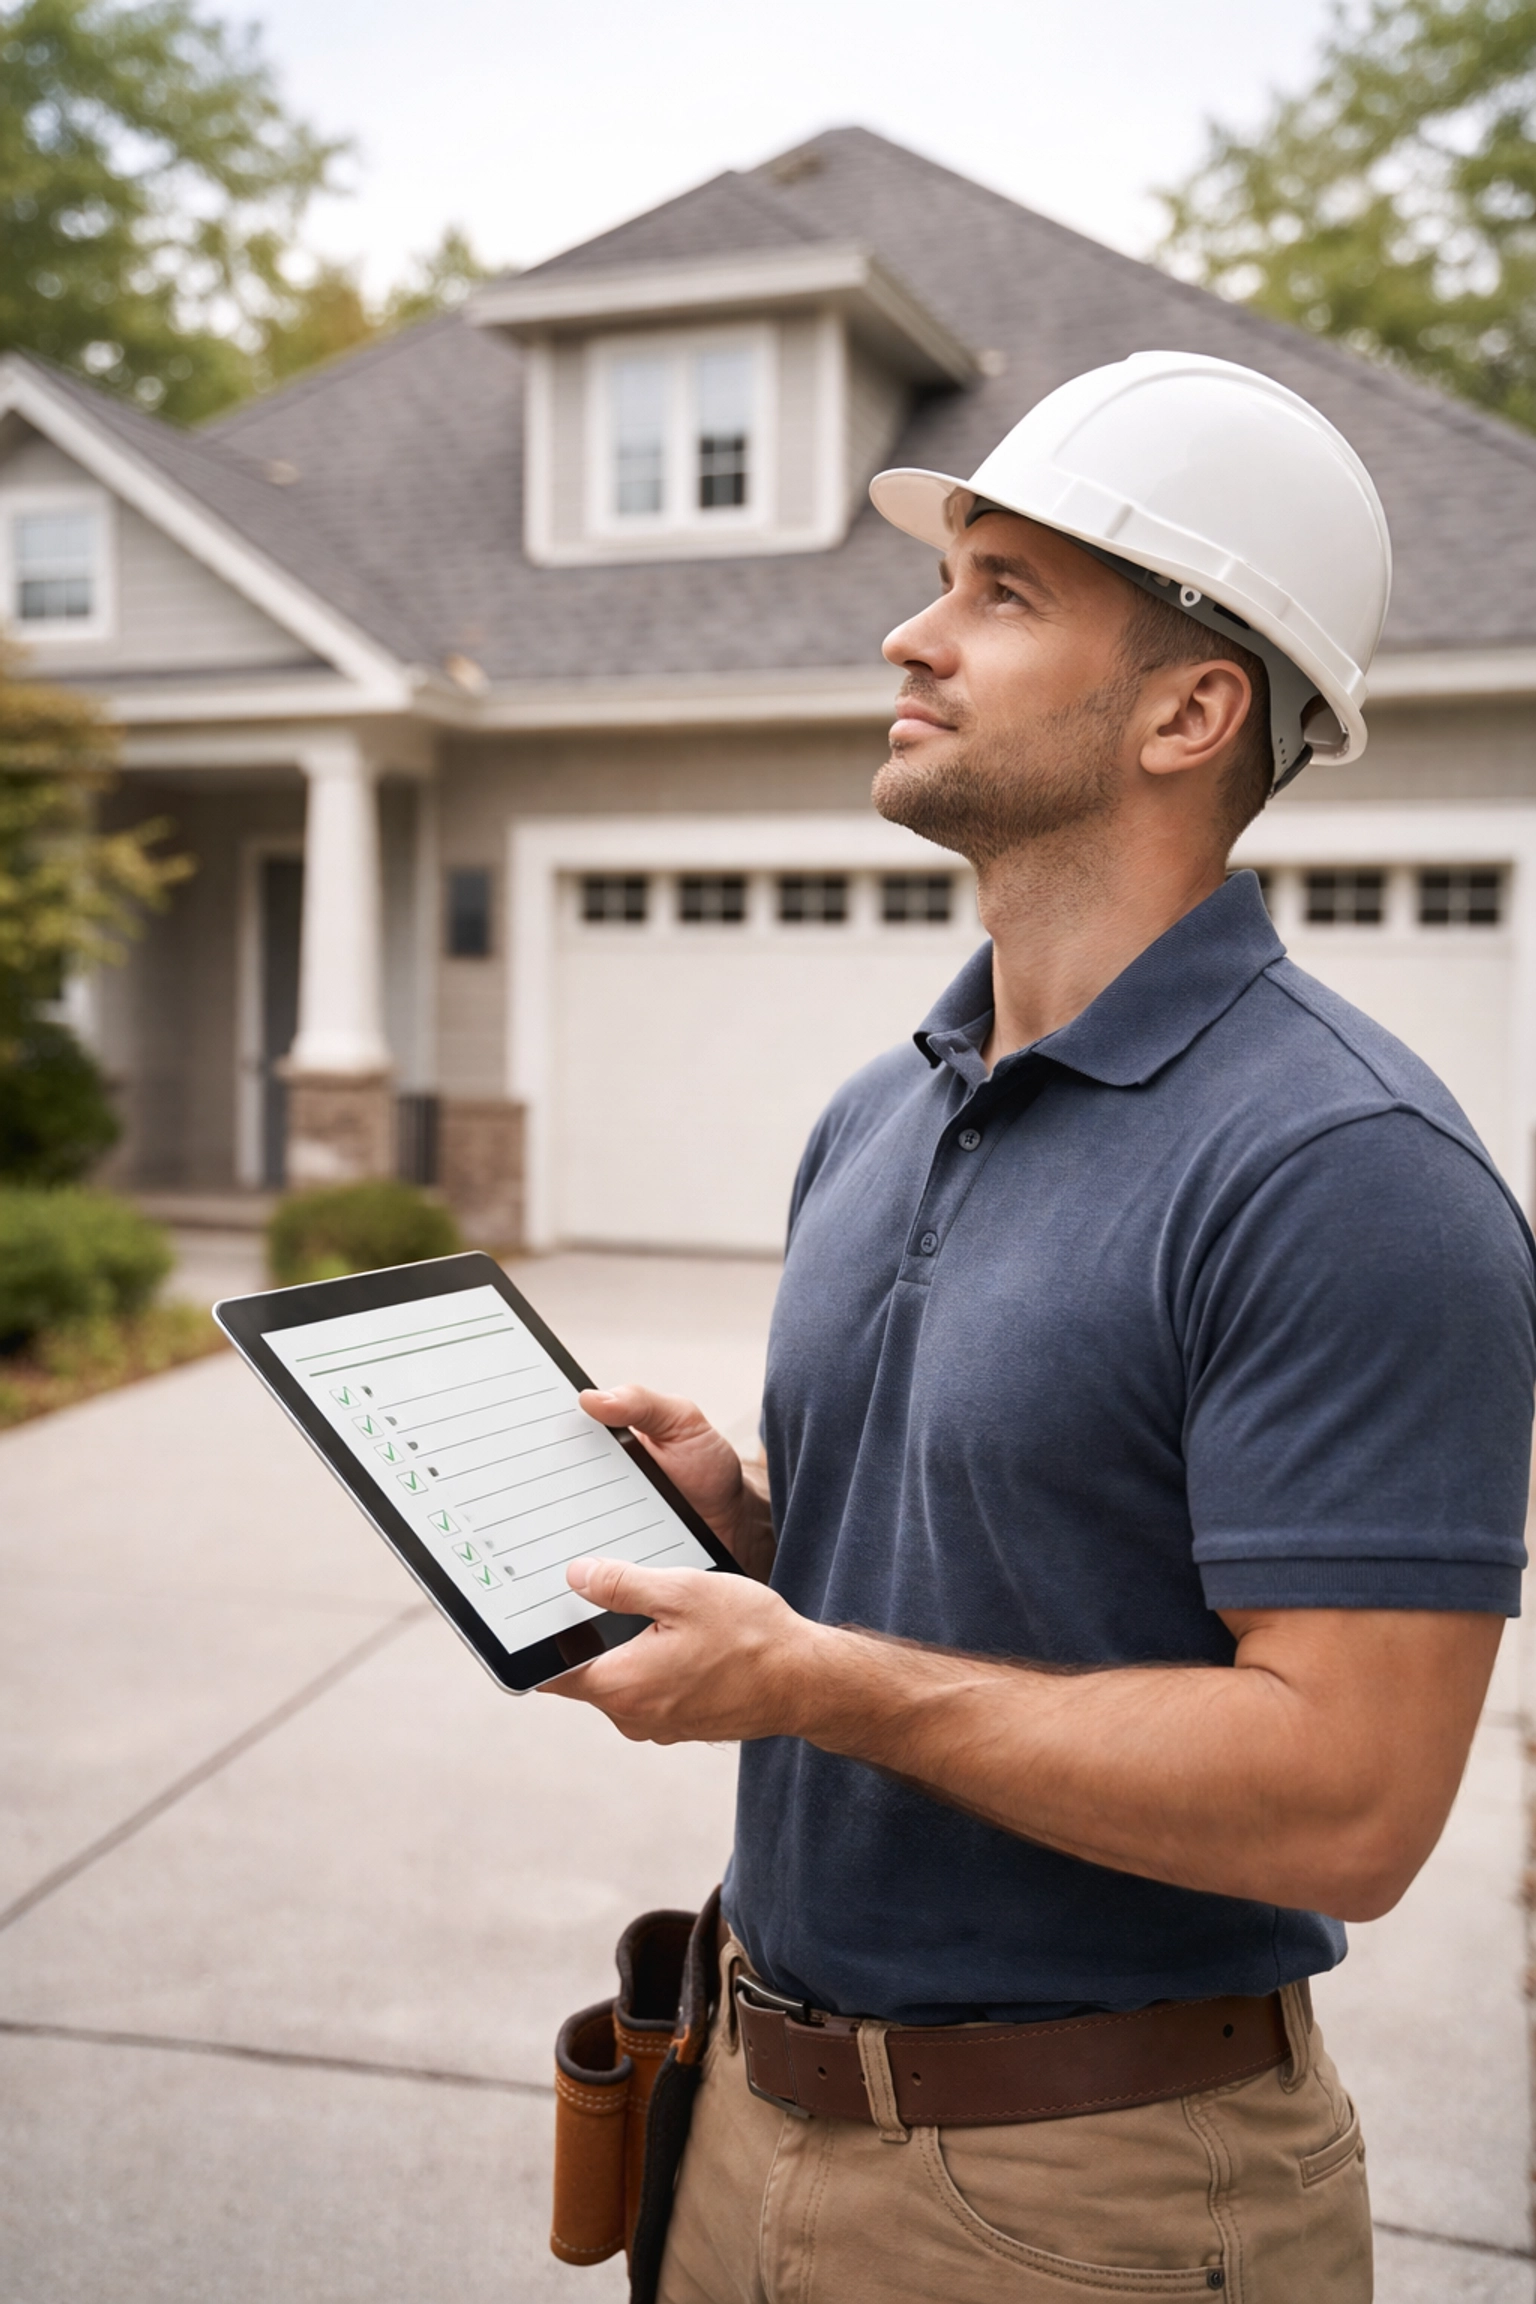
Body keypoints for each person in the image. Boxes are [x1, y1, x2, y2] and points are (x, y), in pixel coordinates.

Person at [547, 352, 1535, 2303]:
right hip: (745, 2112)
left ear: (1193, 707)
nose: (914, 632)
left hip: (1102, 2195)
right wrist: (743, 1533)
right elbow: (981, 1580)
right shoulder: (881, 1105)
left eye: (1003, 592)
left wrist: (814, 1676)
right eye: (949, 579)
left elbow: (1351, 1804)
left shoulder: (1350, 1172)